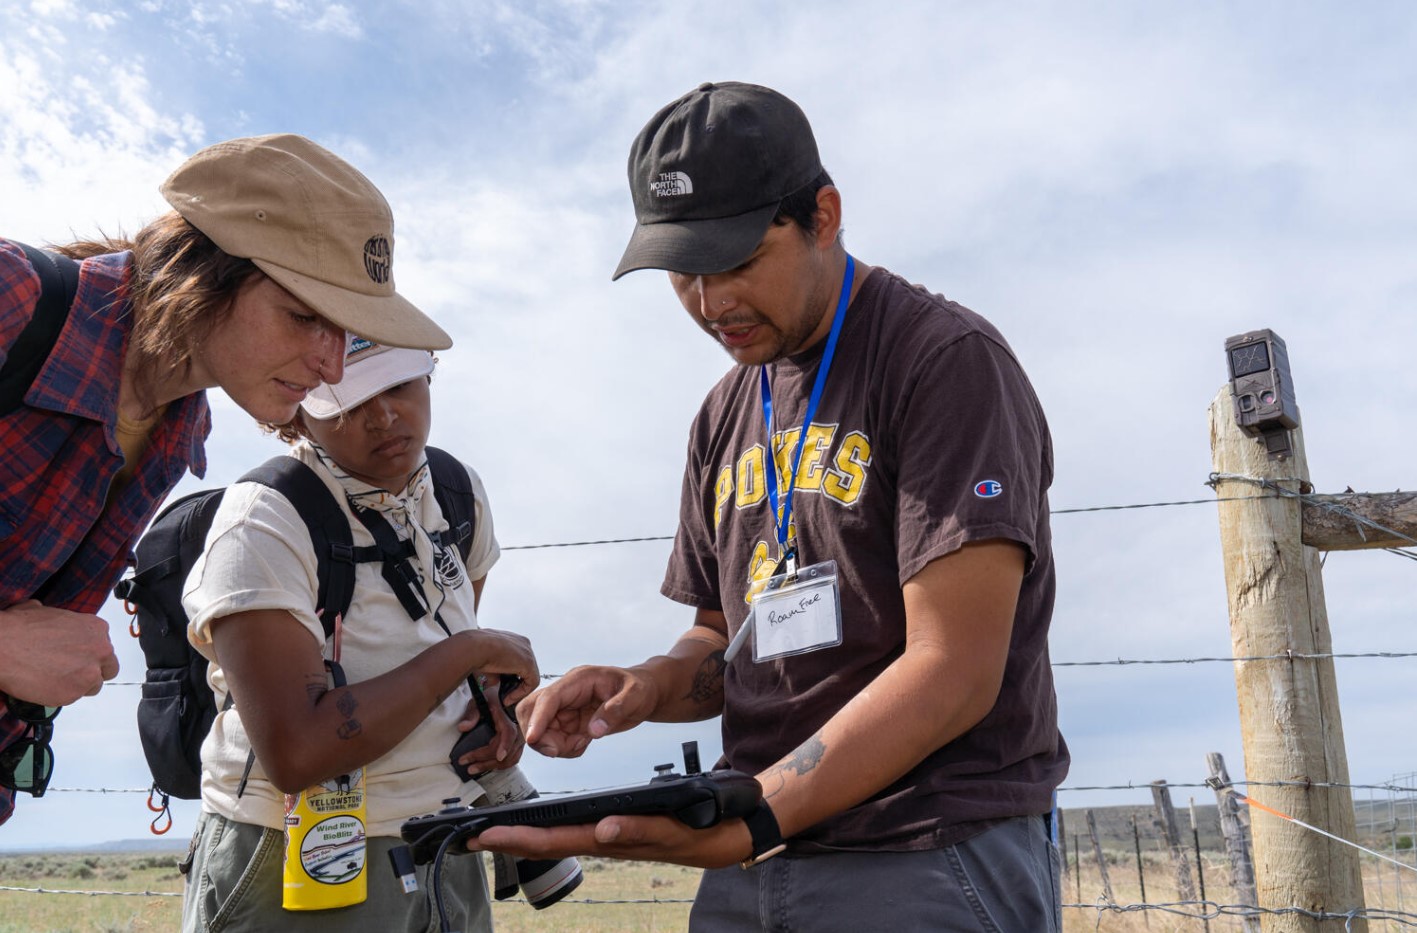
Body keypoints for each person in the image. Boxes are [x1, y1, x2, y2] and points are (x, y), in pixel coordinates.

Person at [475, 82, 1070, 930]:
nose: (710, 303)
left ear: (822, 215)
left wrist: (756, 814)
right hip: (758, 852)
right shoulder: (722, 414)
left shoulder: (943, 362)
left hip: (926, 850)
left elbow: (955, 672)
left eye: (738, 262)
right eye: (683, 272)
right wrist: (646, 684)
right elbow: (724, 639)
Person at [0, 133, 450, 827]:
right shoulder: (13, 301)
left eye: (347, 332)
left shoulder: (182, 429)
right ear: (201, 270)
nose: (331, 367)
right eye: (305, 317)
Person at [179, 338, 550, 932]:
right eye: (347, 404)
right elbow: (296, 754)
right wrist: (469, 652)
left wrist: (493, 715)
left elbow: (444, 655)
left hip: (444, 840)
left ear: (430, 375)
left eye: (399, 386)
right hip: (295, 855)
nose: (382, 417)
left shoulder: (454, 491)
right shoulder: (264, 522)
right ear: (296, 410)